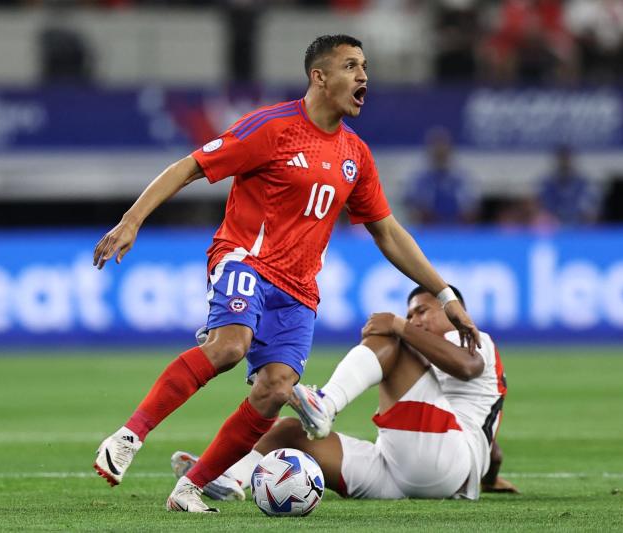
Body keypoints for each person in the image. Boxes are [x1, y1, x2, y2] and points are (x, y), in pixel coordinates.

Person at [91, 34, 481, 514]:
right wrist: (132, 221)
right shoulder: (272, 128)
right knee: (230, 347)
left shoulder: (355, 155)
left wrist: (444, 294)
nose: (364, 77)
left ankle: (190, 488)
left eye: (365, 67)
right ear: (320, 77)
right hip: (244, 261)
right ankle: (130, 436)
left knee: (275, 389)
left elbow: (388, 232)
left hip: (299, 292)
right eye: (351, 66)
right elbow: (190, 166)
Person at [172, 285, 515, 502]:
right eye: (410, 313)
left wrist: (399, 326)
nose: (414, 319)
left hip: (442, 459)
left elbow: (468, 366)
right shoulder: (436, 356)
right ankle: (232, 477)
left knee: (392, 338)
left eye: (422, 311)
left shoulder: (472, 337)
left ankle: (326, 403)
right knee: (289, 432)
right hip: (406, 471)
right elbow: (492, 447)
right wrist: (489, 476)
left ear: (455, 312)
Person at [404, 127, 479, 225]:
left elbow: (471, 209)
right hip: (428, 231)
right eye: (437, 151)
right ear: (430, 152)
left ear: (449, 152)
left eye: (443, 151)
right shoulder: (421, 180)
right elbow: (414, 209)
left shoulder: (460, 179)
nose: (440, 153)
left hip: (458, 230)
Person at [536, 145, 601, 225]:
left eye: (567, 159)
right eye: (562, 159)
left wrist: (588, 215)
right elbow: (543, 207)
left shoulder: (583, 183)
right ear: (557, 161)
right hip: (555, 225)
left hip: (580, 226)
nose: (565, 162)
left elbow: (591, 206)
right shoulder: (547, 183)